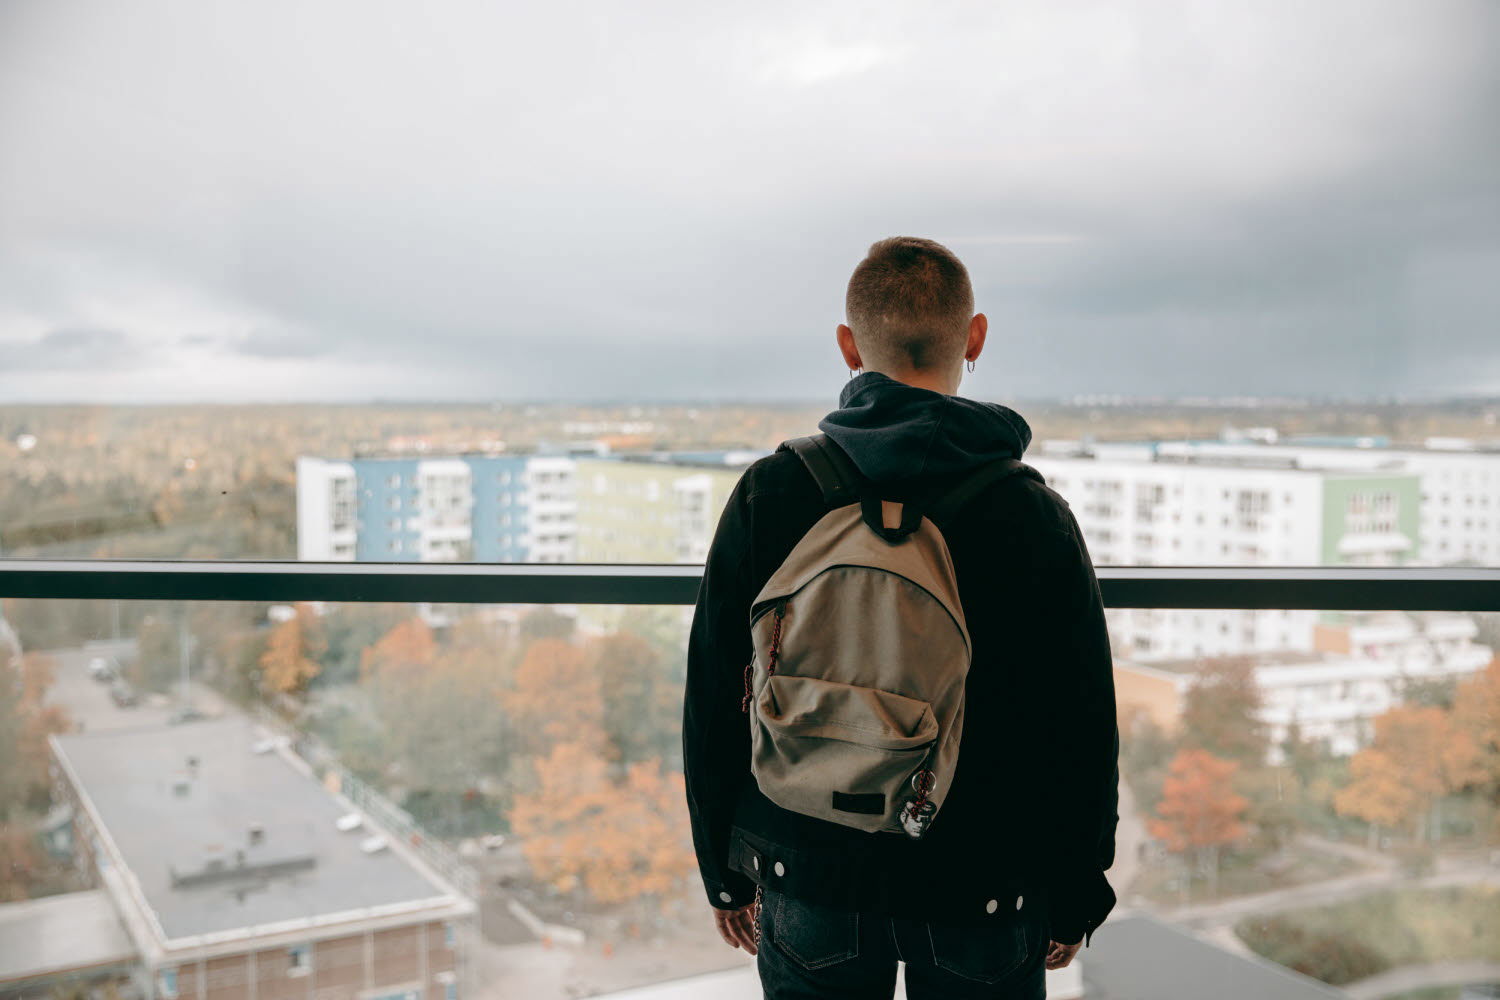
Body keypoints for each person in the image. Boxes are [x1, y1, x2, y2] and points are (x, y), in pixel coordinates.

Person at [682, 236, 1119, 999]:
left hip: (806, 866)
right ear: (974, 336)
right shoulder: (1030, 514)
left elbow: (715, 691)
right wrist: (1078, 893)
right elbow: (1078, 722)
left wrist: (726, 871)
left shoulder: (773, 492)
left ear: (849, 347)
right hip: (984, 884)